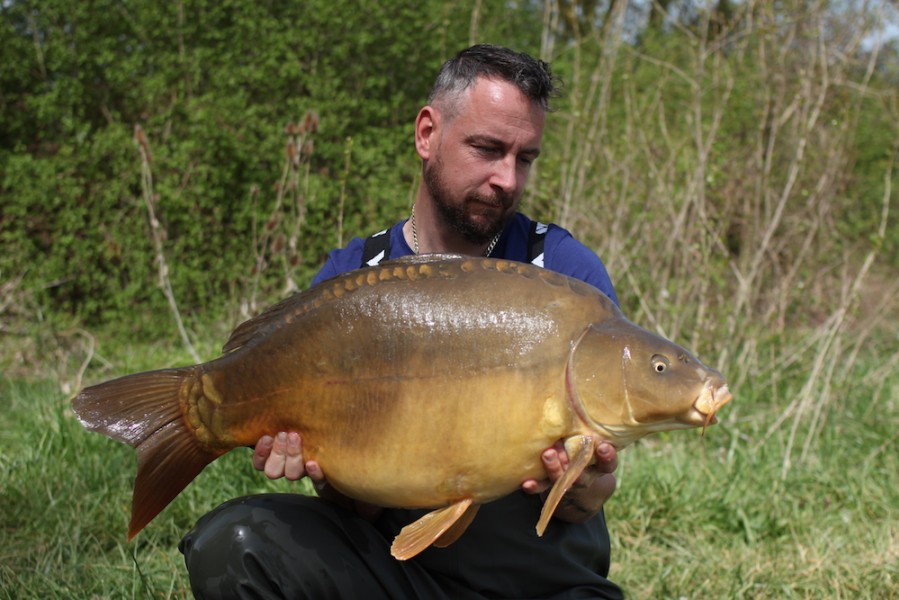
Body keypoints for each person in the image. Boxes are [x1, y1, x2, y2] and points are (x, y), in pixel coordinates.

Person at [179, 44, 624, 599]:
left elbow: (595, 491)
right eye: (486, 149)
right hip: (398, 579)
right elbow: (351, 510)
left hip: (543, 587)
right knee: (234, 544)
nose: (507, 179)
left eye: (525, 158)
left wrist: (584, 482)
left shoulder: (564, 273)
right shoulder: (350, 279)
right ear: (426, 134)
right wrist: (318, 464)